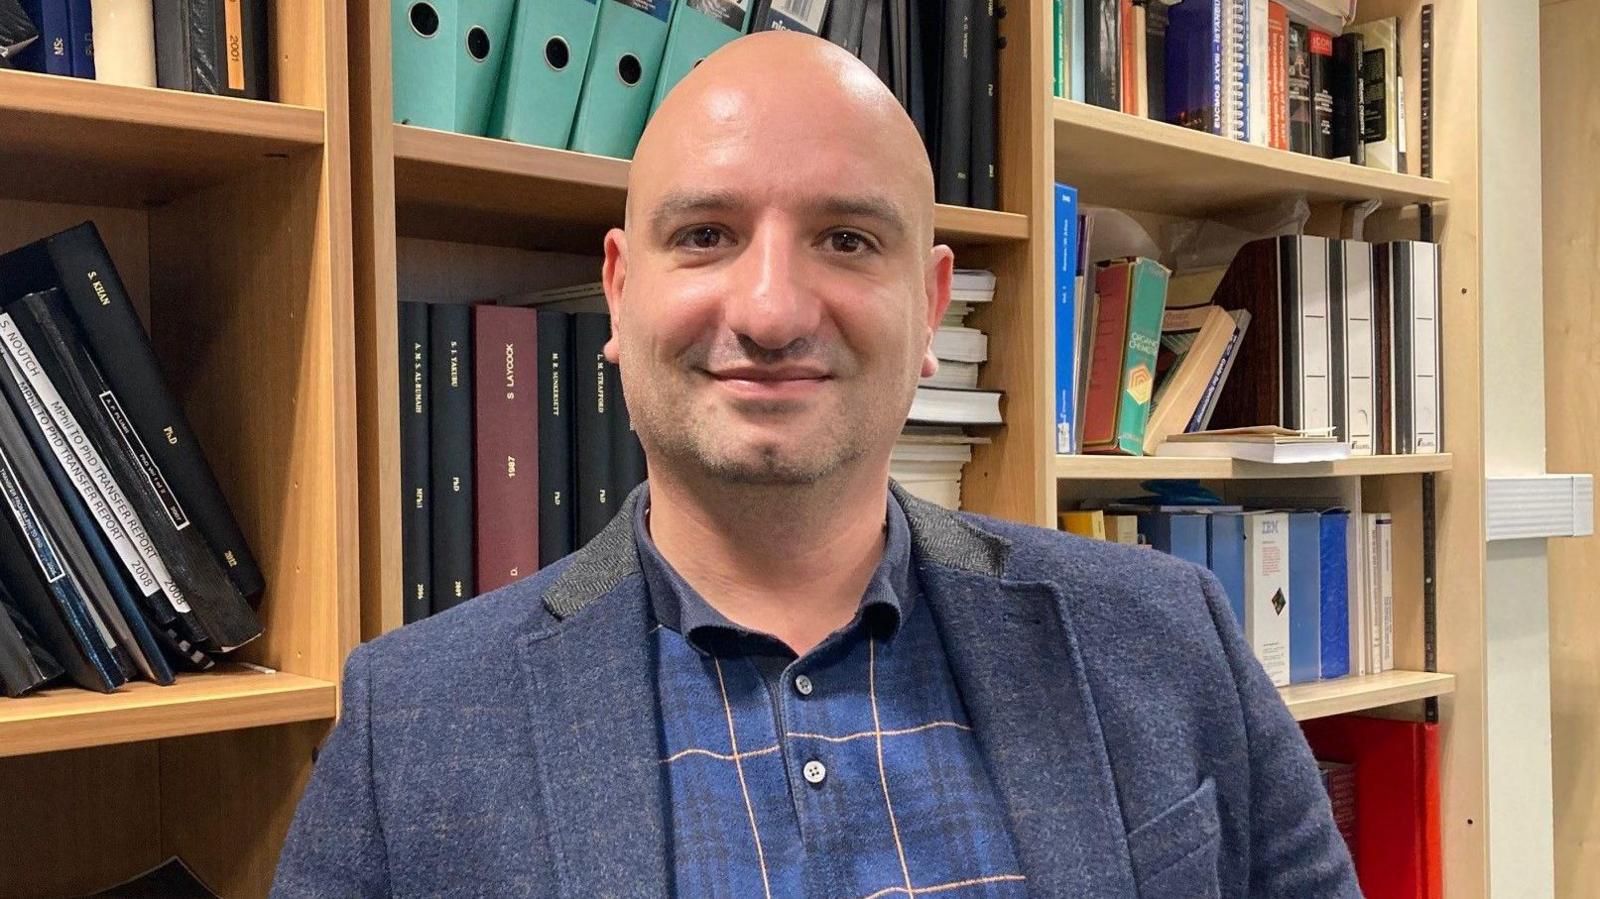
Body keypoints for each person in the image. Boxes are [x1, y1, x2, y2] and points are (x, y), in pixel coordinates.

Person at [273, 31, 1358, 898]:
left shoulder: (1170, 636)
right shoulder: (406, 729)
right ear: (618, 290)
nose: (771, 310)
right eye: (705, 234)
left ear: (930, 306)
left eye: (846, 239)